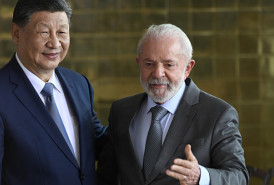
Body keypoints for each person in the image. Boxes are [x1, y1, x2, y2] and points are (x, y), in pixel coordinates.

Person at [0, 0, 107, 185]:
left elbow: (99, 143)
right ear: (16, 33)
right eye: (44, 32)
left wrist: (144, 118)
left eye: (62, 32)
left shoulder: (79, 84)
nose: (55, 43)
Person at [97, 24, 249, 185]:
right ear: (138, 63)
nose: (157, 73)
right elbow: (106, 176)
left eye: (169, 65)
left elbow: (239, 177)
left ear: (187, 68)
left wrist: (200, 177)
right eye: (149, 64)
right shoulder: (121, 111)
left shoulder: (218, 114)